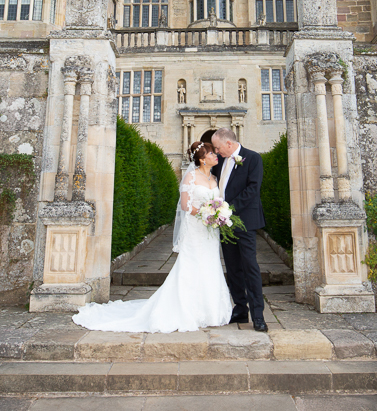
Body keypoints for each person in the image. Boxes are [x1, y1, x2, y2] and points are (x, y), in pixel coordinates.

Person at [72, 141, 232, 332]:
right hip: (196, 229)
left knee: (211, 264)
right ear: (201, 158)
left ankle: (211, 310)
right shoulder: (190, 176)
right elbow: (185, 205)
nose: (216, 155)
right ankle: (187, 310)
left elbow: (217, 201)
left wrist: (217, 214)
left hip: (210, 231)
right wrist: (206, 214)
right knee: (192, 264)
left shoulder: (214, 178)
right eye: (212, 153)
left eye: (215, 153)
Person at [211, 127, 267, 332]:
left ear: (228, 143)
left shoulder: (252, 158)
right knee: (233, 268)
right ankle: (240, 309)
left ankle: (258, 315)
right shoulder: (220, 162)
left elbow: (253, 189)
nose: (217, 152)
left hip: (245, 222)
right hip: (225, 224)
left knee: (250, 267)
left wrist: (228, 209)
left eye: (218, 147)